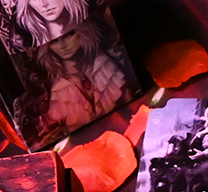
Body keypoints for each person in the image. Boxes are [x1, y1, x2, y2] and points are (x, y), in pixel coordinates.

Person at [13, 17, 133, 145]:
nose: (63, 46)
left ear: (82, 31)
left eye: (69, 35)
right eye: (54, 41)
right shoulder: (54, 91)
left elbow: (131, 103)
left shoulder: (104, 66)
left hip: (126, 134)